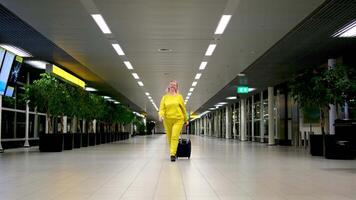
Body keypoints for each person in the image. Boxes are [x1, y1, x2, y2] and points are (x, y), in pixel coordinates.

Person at [159, 80, 188, 162]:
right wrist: (161, 115)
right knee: (169, 137)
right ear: (169, 86)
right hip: (167, 120)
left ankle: (172, 154)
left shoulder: (179, 97)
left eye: (174, 85)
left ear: (176, 87)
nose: (172, 86)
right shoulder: (165, 97)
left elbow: (183, 109)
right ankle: (173, 151)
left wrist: (186, 120)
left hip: (178, 119)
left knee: (174, 137)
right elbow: (162, 108)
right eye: (171, 84)